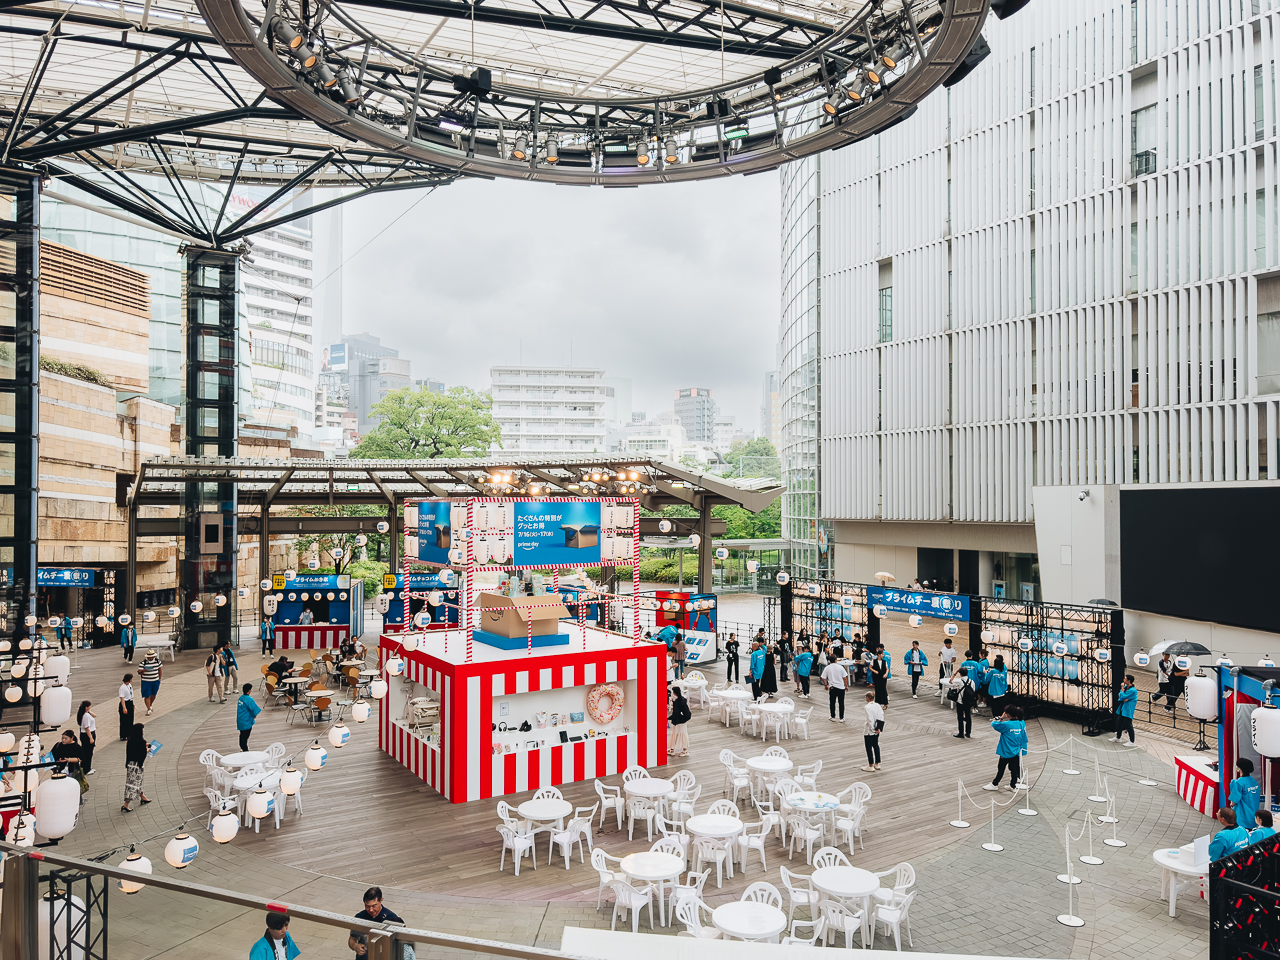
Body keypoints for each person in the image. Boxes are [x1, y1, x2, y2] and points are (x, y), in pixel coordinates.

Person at [347, 888, 404, 957]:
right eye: (367, 906)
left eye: (374, 906)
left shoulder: (392, 919)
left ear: (381, 900)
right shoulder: (360, 917)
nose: (370, 910)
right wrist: (355, 946)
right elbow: (352, 939)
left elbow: (400, 946)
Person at [984, 705, 1028, 790]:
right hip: (1015, 751)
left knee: (1001, 769)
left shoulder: (1007, 725)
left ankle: (995, 784)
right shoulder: (1020, 724)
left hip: (1006, 751)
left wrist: (1001, 718)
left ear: (1008, 714)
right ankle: (1012, 785)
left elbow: (994, 724)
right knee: (1014, 769)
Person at [121, 722, 151, 812]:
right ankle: (126, 804)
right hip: (137, 766)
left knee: (134, 782)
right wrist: (147, 750)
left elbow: (132, 751)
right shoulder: (141, 742)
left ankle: (142, 796)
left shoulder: (130, 740)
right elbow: (142, 754)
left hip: (130, 764)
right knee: (134, 784)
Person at [1229, 758, 1262, 830]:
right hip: (1253, 815)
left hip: (1242, 817)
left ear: (1239, 768)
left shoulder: (1238, 783)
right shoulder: (1253, 781)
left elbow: (1233, 802)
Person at [1110, 675, 1138, 745]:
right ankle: (1118, 737)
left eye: (1125, 679)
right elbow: (1120, 697)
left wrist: (1122, 689)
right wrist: (1123, 694)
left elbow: (1122, 695)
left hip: (1128, 710)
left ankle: (1132, 741)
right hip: (1122, 708)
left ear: (1129, 681)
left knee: (1128, 724)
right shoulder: (1126, 688)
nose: (1124, 680)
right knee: (1119, 722)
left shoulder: (1133, 690)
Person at [821, 653, 848, 723]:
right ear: (836, 660)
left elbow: (823, 677)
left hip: (832, 687)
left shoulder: (827, 668)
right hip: (841, 687)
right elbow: (845, 678)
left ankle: (833, 716)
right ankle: (841, 717)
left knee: (832, 702)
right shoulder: (840, 667)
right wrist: (846, 686)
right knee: (841, 703)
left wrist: (825, 685)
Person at [950, 667, 976, 738]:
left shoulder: (959, 681)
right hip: (969, 702)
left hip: (960, 701)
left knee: (960, 717)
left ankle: (961, 733)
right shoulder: (972, 681)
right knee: (968, 717)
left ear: (960, 673)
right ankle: (968, 733)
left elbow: (950, 681)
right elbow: (973, 690)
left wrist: (955, 674)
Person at [862, 692, 884, 772]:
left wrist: (873, 728)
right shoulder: (878, 705)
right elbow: (881, 716)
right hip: (877, 728)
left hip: (869, 730)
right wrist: (879, 728)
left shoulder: (867, 707)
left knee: (868, 747)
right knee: (876, 745)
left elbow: (869, 719)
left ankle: (870, 764)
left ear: (868, 697)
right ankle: (877, 763)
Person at [237, 682, 262, 752]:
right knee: (245, 736)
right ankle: (245, 750)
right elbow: (254, 709)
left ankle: (243, 747)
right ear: (249, 691)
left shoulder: (241, 698)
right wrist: (254, 716)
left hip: (240, 721)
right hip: (246, 721)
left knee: (242, 735)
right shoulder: (249, 699)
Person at [668, 685, 691, 757]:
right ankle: (685, 750)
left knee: (675, 733)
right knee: (683, 733)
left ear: (674, 693)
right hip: (685, 719)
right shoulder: (683, 700)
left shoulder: (676, 702)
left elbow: (675, 713)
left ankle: (672, 750)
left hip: (679, 720)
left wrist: (668, 718)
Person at [138, 650, 162, 716]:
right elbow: (139, 672)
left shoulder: (157, 661)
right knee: (147, 695)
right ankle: (148, 709)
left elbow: (160, 669)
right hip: (146, 681)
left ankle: (150, 705)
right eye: (149, 657)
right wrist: (143, 670)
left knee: (154, 694)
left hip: (155, 680)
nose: (150, 658)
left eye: (152, 657)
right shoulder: (143, 663)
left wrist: (159, 678)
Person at [77, 700, 97, 775]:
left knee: (87, 752)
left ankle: (84, 767)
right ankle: (86, 769)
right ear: (86, 707)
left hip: (87, 734)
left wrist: (88, 711)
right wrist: (91, 738)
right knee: (88, 753)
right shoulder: (85, 716)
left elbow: (95, 715)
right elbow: (86, 728)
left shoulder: (85, 714)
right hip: (87, 735)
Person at [117, 673, 135, 741]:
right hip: (125, 703)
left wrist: (132, 703)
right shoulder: (123, 687)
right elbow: (122, 698)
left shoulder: (129, 685)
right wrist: (124, 707)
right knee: (124, 720)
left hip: (130, 702)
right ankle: (123, 735)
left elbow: (130, 694)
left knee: (130, 719)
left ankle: (129, 734)